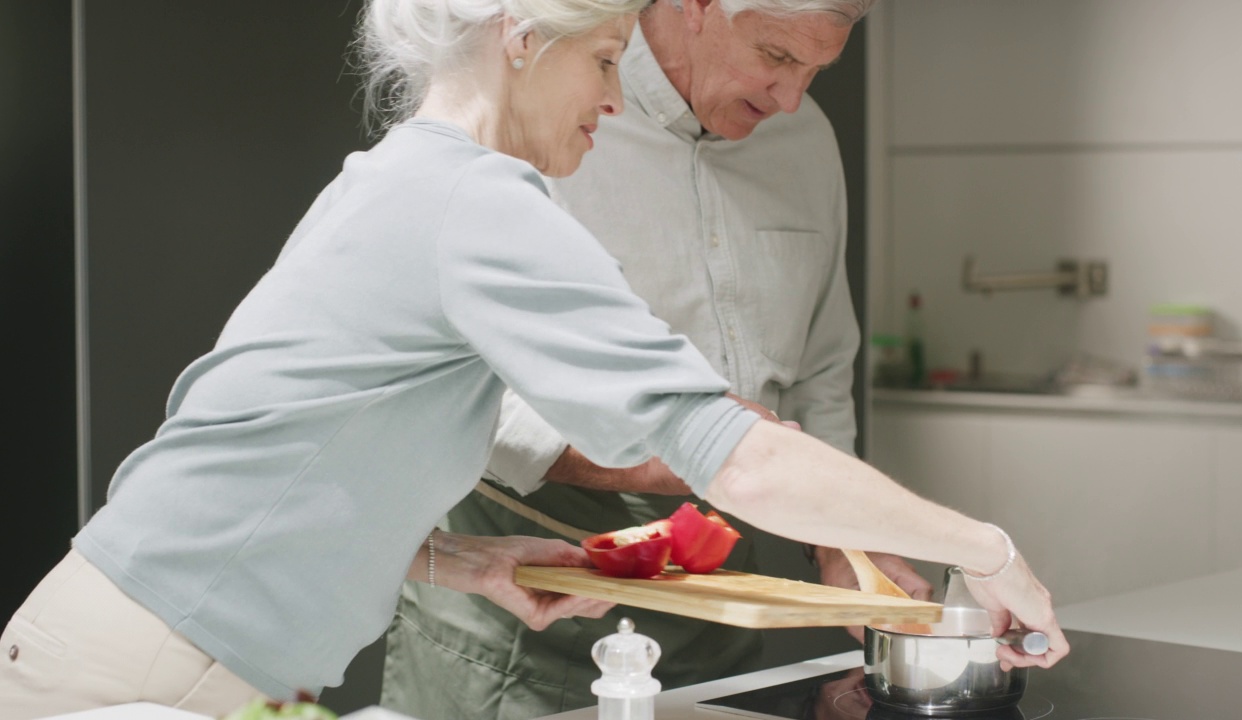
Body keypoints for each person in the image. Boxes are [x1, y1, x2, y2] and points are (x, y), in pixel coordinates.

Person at [0, 0, 1068, 715]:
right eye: (603, 61)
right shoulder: (476, 199)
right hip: (147, 664)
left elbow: (290, 456)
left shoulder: (394, 176)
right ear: (521, 40)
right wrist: (981, 547)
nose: (614, 97)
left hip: (157, 641)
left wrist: (462, 562)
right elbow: (726, 451)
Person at [376, 1, 988, 719]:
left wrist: (840, 541)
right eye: (778, 58)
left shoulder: (804, 140)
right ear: (697, 7)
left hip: (720, 590)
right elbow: (458, 385)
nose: (792, 99)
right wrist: (679, 460)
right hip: (522, 591)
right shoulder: (537, 114)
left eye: (818, 71)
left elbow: (822, 370)